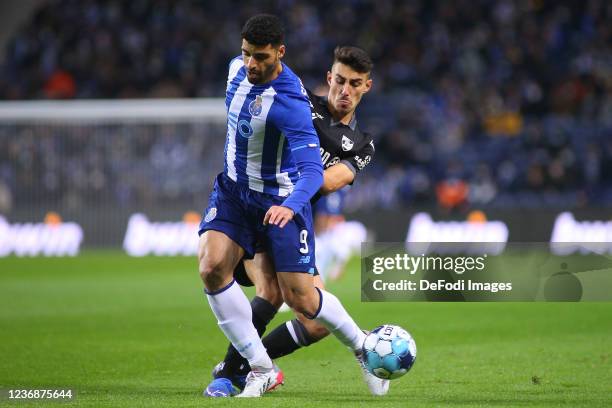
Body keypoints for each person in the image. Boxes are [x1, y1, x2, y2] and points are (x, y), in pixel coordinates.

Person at [205, 45, 388, 397]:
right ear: (328, 79)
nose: (344, 91)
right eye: (339, 81)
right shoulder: (299, 101)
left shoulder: (363, 145)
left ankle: (247, 363)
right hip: (259, 205)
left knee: (314, 322)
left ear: (367, 86)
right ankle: (233, 372)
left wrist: (302, 177)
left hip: (296, 215)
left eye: (354, 83)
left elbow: (330, 180)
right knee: (270, 292)